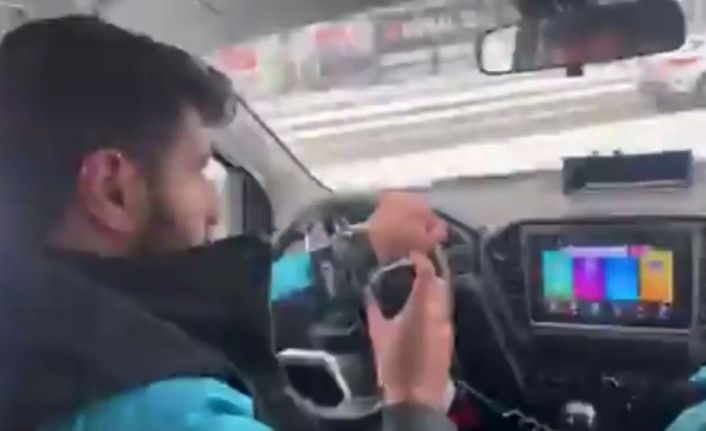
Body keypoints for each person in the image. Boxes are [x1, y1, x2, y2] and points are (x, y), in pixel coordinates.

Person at [0, 15, 456, 431]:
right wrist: (414, 398)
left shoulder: (40, 330)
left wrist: (355, 254)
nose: (214, 209)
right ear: (112, 190)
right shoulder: (171, 413)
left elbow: (200, 300)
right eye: (199, 171)